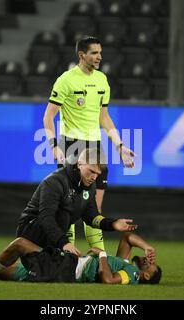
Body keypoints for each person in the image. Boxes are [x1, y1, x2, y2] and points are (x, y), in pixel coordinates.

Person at [43, 35, 135, 251]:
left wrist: (120, 146)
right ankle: (68, 253)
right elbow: (48, 116)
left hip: (95, 146)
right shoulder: (66, 80)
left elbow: (104, 117)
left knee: (95, 207)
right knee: (67, 206)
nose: (99, 57)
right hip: (71, 145)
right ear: (81, 55)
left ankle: (99, 254)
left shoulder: (102, 80)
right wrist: (54, 145)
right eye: (94, 53)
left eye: (100, 53)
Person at [0, 232, 162, 285]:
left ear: (146, 275)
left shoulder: (130, 275)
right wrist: (148, 245)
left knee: (20, 244)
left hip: (63, 268)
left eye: (152, 265)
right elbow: (127, 238)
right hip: (61, 264)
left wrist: (100, 255)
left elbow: (108, 280)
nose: (149, 260)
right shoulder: (127, 265)